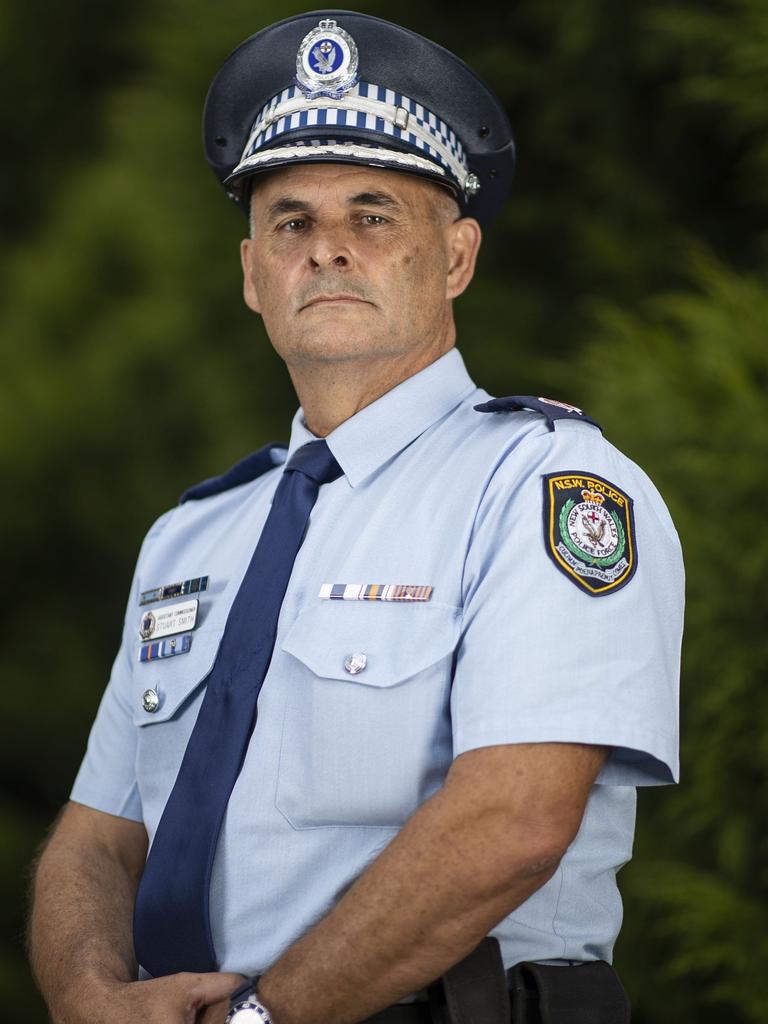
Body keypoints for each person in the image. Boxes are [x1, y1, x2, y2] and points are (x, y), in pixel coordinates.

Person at [28, 10, 684, 1024]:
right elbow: (96, 839)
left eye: (373, 215)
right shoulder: (191, 537)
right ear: (253, 276)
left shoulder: (545, 489)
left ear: (456, 258)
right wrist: (85, 995)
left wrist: (260, 1018)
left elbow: (513, 818)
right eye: (290, 222)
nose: (326, 250)